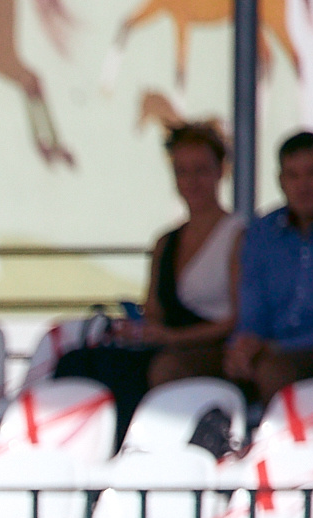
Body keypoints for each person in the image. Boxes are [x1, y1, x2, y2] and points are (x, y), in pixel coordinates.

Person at [55, 122, 242, 441]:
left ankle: (139, 452)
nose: (191, 181)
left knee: (159, 369)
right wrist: (139, 330)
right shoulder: (165, 242)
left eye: (200, 170)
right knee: (78, 362)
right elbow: (153, 309)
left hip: (211, 347)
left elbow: (237, 319)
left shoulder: (238, 235)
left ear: (220, 172)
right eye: (182, 171)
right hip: (165, 343)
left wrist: (173, 337)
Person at [228, 129, 313, 412]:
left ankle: (289, 451)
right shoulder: (263, 231)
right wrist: (244, 345)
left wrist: (277, 347)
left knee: (274, 370)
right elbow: (252, 304)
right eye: (293, 176)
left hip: (309, 347)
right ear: (280, 181)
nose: (302, 185)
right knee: (170, 366)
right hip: (270, 348)